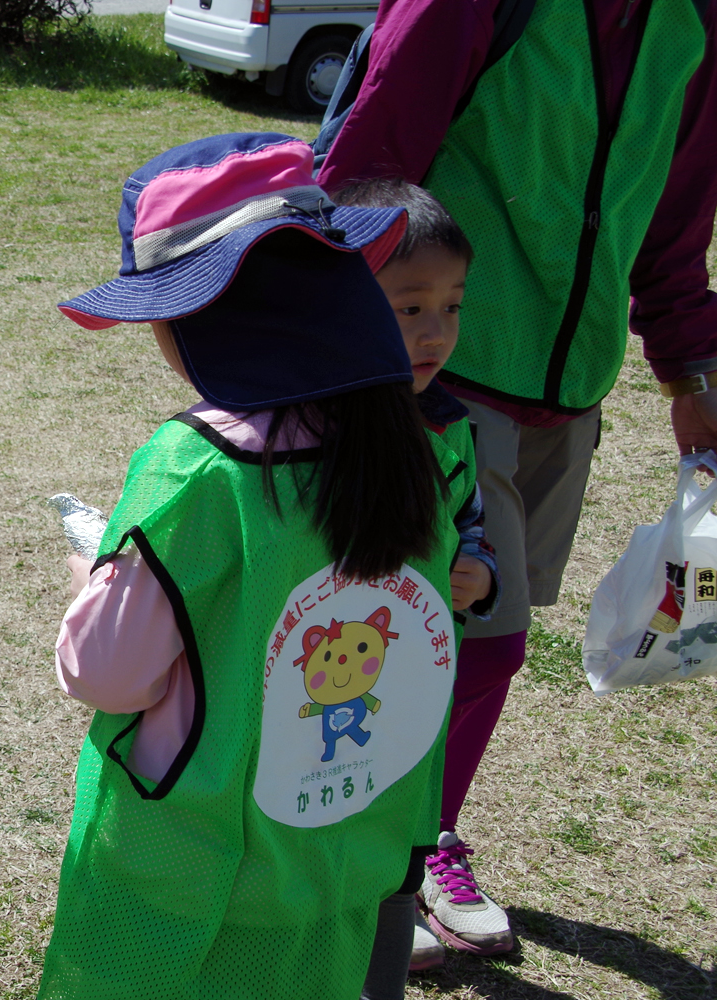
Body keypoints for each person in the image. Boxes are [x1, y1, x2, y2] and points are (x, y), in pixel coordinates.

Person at [37, 133, 481, 1000]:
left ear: (200, 319)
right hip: (340, 855)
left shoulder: (199, 466)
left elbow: (106, 673)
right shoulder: (419, 446)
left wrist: (93, 579)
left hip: (189, 872)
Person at [316, 0, 717, 958]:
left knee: (490, 629)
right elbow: (362, 172)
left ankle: (414, 842)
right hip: (443, 373)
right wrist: (342, 358)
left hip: (570, 389)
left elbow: (672, 221)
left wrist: (690, 373)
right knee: (462, 638)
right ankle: (379, 871)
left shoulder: (693, 22)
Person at [332, 178, 501, 980]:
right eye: (410, 308)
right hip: (327, 677)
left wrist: (481, 571)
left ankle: (389, 925)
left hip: (417, 682)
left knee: (400, 815)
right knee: (330, 808)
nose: (437, 330)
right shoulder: (315, 426)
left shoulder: (451, 425)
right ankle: (350, 920)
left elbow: (470, 523)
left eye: (453, 306)